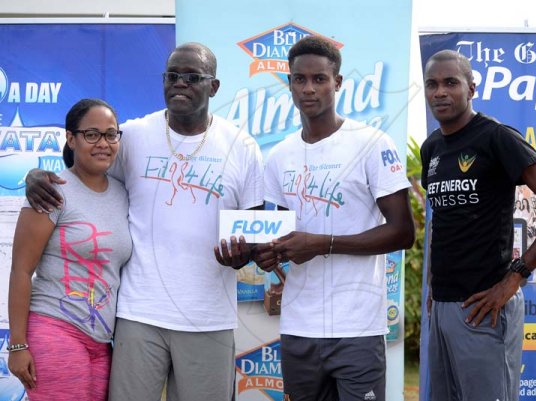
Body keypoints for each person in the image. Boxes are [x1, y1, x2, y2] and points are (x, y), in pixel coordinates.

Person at [25, 43, 264, 401]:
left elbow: (255, 226)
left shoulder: (241, 146)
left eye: (192, 77)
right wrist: (36, 176)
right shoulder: (134, 134)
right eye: (172, 76)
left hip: (209, 317)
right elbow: (82, 166)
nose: (180, 84)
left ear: (213, 87)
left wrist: (244, 253)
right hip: (139, 315)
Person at [254, 36, 415, 401]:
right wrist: (269, 254)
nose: (308, 89)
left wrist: (323, 244)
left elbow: (403, 232)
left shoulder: (372, 144)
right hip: (299, 328)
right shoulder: (279, 156)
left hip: (357, 328)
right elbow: (281, 235)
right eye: (299, 79)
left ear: (337, 83)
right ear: (290, 83)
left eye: (319, 79)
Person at [420, 49, 536, 401]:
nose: (440, 92)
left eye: (451, 82)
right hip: (444, 307)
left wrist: (516, 276)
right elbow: (442, 219)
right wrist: (435, 284)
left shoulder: (495, 137)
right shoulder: (432, 147)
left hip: (485, 306)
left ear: (471, 88)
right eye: (432, 84)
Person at [8, 98, 132, 401]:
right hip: (54, 330)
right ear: (70, 138)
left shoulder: (124, 192)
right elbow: (21, 271)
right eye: (92, 134)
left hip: (102, 344)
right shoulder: (52, 191)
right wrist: (18, 345)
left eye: (110, 134)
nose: (103, 143)